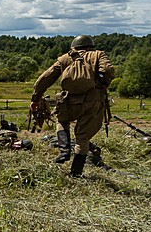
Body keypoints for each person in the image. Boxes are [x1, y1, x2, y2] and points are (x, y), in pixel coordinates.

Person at [32, 35, 114, 177]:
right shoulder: (98, 55)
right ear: (90, 46)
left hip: (68, 101)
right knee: (82, 139)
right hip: (93, 100)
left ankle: (64, 150)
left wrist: (36, 98)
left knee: (61, 120)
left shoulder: (65, 58)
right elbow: (107, 70)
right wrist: (103, 83)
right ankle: (76, 173)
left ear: (74, 46)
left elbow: (46, 77)